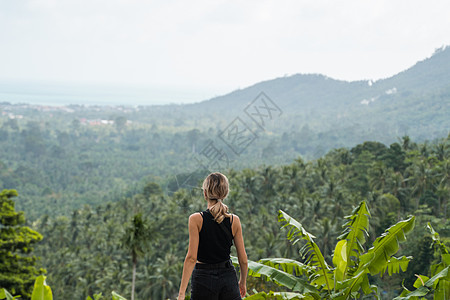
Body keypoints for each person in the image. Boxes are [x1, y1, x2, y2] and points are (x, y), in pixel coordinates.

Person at [177, 172, 248, 300]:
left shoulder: (196, 219)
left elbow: (191, 258)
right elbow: (243, 259)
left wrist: (181, 293)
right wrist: (242, 282)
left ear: (205, 193)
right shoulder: (234, 220)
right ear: (225, 193)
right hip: (228, 278)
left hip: (203, 278)